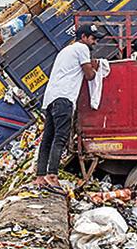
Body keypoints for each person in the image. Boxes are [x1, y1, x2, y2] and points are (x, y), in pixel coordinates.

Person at [35, 24, 101, 192]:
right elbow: (90, 75)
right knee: (60, 138)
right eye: (93, 38)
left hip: (50, 99)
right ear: (84, 37)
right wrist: (96, 67)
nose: (95, 42)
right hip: (64, 99)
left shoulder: (66, 50)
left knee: (47, 139)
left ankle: (40, 177)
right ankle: (52, 176)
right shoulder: (82, 49)